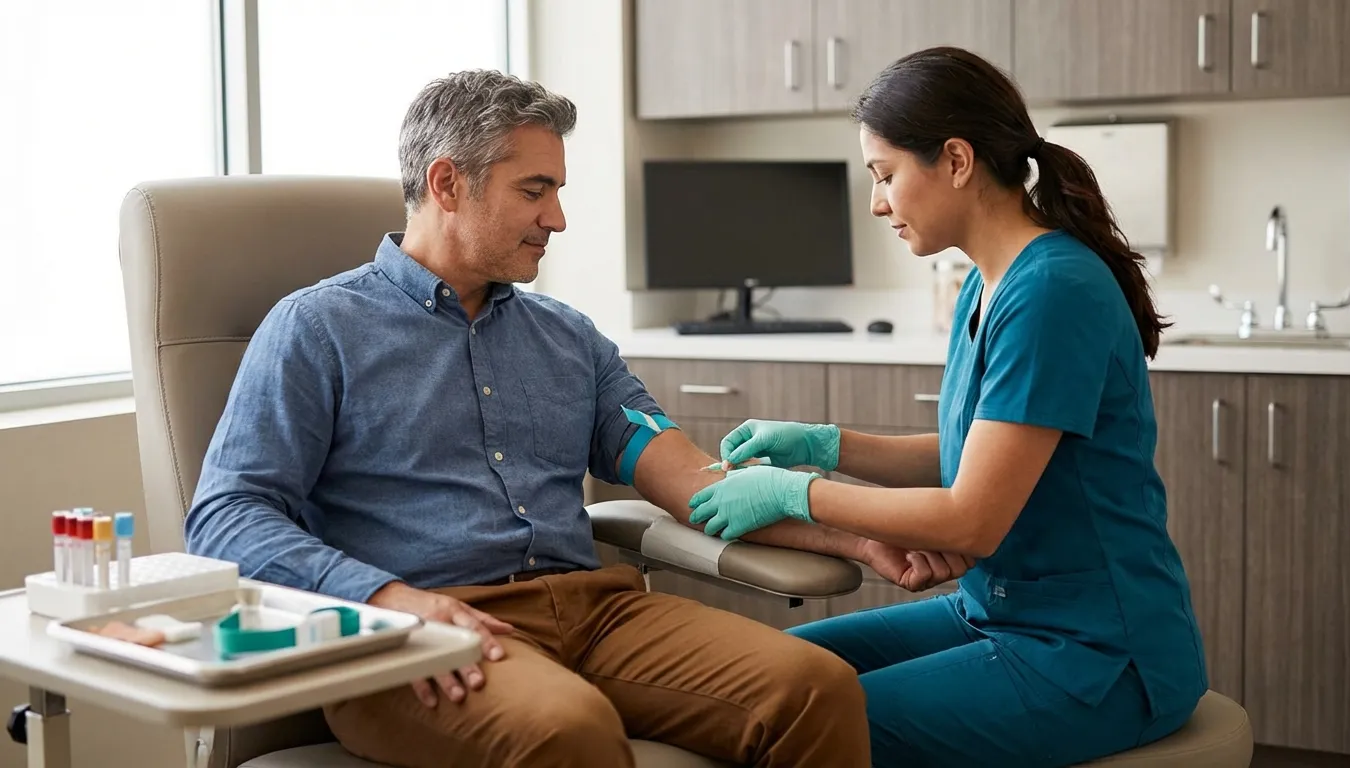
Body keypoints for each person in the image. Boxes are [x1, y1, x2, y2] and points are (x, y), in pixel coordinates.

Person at [184, 69, 918, 768]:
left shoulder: (567, 338)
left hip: (595, 614)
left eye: (557, 191)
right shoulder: (317, 329)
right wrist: (391, 602)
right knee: (569, 731)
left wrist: (860, 535)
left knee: (814, 688)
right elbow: (227, 515)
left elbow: (694, 481)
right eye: (535, 190)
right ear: (447, 183)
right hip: (416, 636)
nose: (557, 219)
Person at [685, 47, 1208, 768]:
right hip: (1000, 614)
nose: (876, 202)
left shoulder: (1052, 290)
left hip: (1096, 654)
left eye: (885, 175)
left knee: (793, 718)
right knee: (766, 674)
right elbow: (976, 453)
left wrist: (796, 492)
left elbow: (972, 516)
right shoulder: (984, 285)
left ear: (956, 160)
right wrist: (827, 443)